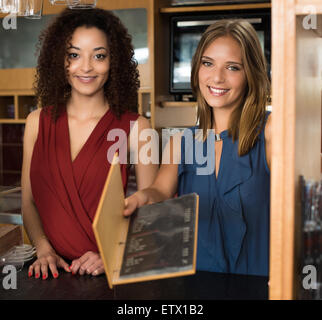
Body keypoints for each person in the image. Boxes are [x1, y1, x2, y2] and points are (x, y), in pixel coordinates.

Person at [124, 19, 272, 276]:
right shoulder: (181, 142)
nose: (217, 77)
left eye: (233, 67)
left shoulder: (270, 132)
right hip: (197, 285)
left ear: (251, 74)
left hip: (259, 285)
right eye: (208, 63)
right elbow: (159, 190)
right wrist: (139, 198)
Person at [21, 8, 158, 280]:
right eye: (74, 55)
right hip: (53, 271)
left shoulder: (137, 127)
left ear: (114, 61)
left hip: (108, 272)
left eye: (99, 56)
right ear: (59, 60)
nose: (86, 67)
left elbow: (153, 213)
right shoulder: (36, 122)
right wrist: (43, 247)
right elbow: (28, 202)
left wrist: (113, 253)